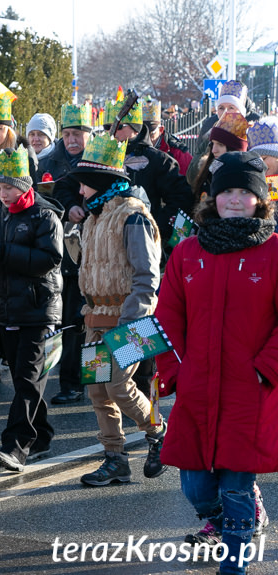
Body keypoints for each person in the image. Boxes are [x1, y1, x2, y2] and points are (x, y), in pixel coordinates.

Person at [155, 151, 278, 575]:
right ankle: (235, 525)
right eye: (227, 190)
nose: (234, 199)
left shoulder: (274, 251)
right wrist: (174, 371)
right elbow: (166, 317)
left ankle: (234, 563)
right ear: (212, 196)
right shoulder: (188, 251)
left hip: (251, 391)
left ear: (259, 201)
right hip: (197, 386)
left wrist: (266, 370)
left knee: (236, 485)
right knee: (197, 486)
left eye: (245, 192)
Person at [66, 133, 168, 487]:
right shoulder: (93, 219)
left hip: (131, 322)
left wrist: (132, 322)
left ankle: (158, 432)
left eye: (85, 186)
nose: (81, 192)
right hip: (95, 320)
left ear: (102, 184)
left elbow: (146, 276)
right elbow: (91, 268)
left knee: (119, 386)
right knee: (98, 393)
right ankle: (115, 459)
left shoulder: (134, 218)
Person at [0, 146, 63, 472]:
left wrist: (3, 252)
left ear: (25, 184)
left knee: (29, 380)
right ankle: (41, 434)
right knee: (23, 380)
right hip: (5, 309)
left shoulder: (45, 216)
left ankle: (15, 447)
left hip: (39, 310)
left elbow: (51, 259)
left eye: (9, 187)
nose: (3, 194)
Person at [39, 102, 94, 406]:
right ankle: (72, 382)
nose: (73, 140)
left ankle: (119, 383)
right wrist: (65, 208)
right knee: (69, 319)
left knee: (102, 323)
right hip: (64, 254)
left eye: (79, 134)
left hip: (102, 259)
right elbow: (46, 195)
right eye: (68, 134)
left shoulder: (100, 160)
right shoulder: (50, 162)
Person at [103, 94, 193, 253]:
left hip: (144, 244)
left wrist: (155, 225)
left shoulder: (159, 160)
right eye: (107, 126)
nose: (112, 131)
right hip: (107, 245)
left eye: (120, 126)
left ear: (135, 128)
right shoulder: (100, 157)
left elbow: (181, 197)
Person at [190, 110, 249, 201]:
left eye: (220, 145)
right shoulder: (206, 172)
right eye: (212, 144)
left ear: (234, 148)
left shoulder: (247, 178)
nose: (214, 150)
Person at [143, 97, 193, 178]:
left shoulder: (177, 153)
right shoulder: (134, 150)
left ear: (161, 130)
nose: (146, 138)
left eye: (151, 134)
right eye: (143, 134)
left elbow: (190, 182)